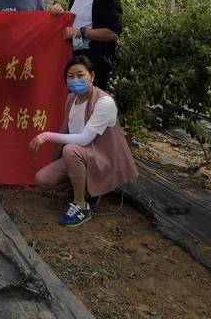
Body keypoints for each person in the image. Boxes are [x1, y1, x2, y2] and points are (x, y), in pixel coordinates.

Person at [29, 55, 138, 227]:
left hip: (101, 157)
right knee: (43, 179)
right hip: (80, 155)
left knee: (70, 149)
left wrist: (46, 136)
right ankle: (87, 188)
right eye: (70, 76)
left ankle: (81, 205)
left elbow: (84, 138)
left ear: (92, 76)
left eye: (80, 75)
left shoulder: (104, 102)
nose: (75, 80)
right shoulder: (71, 98)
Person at [62, 0, 122, 90]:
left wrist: (80, 32)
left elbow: (113, 33)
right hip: (75, 59)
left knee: (91, 99)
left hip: (94, 61)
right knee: (76, 99)